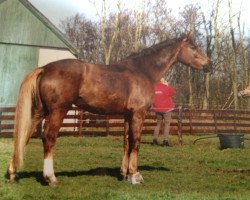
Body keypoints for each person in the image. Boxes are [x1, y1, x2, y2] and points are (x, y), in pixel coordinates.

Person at [152, 78, 176, 146]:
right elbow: (173, 92)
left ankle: (154, 140)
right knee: (167, 124)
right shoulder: (165, 87)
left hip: (157, 109)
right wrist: (167, 85)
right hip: (166, 109)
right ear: (162, 81)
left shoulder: (154, 87)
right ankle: (165, 141)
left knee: (158, 124)